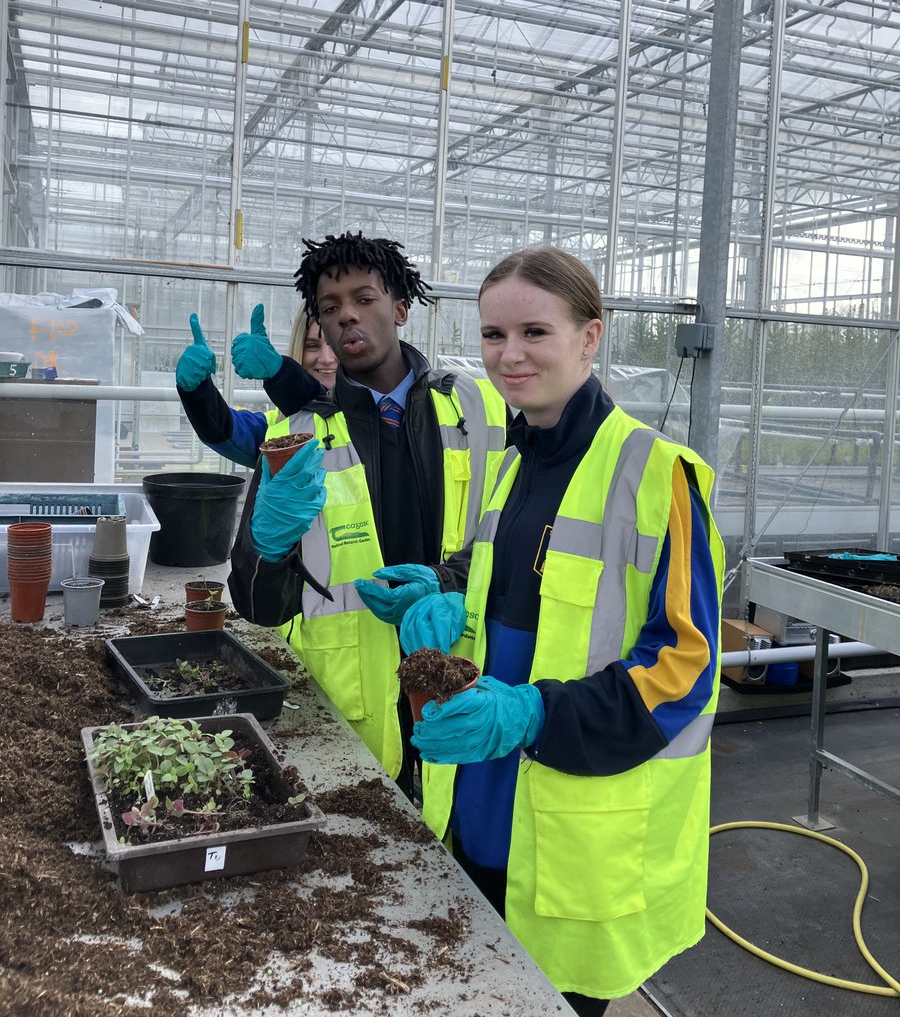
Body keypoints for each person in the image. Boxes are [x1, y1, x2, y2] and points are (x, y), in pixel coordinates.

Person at [363, 246, 724, 1014]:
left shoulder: (657, 476)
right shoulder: (516, 456)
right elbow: (503, 570)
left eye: (535, 331)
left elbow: (684, 669)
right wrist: (445, 587)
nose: (510, 355)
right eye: (494, 335)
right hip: (480, 802)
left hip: (573, 827)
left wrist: (533, 712)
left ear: (591, 338)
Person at [227, 230, 508, 797]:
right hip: (347, 714)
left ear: (401, 308)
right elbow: (256, 605)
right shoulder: (296, 434)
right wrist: (269, 544)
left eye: (364, 299)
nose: (346, 317)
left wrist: (446, 581)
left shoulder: (478, 409)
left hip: (469, 691)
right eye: (330, 309)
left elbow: (514, 537)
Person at [175, 305, 338, 468]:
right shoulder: (279, 424)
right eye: (312, 346)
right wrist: (197, 390)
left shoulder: (360, 416)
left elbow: (332, 413)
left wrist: (282, 374)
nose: (326, 358)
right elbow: (225, 432)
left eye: (336, 344)